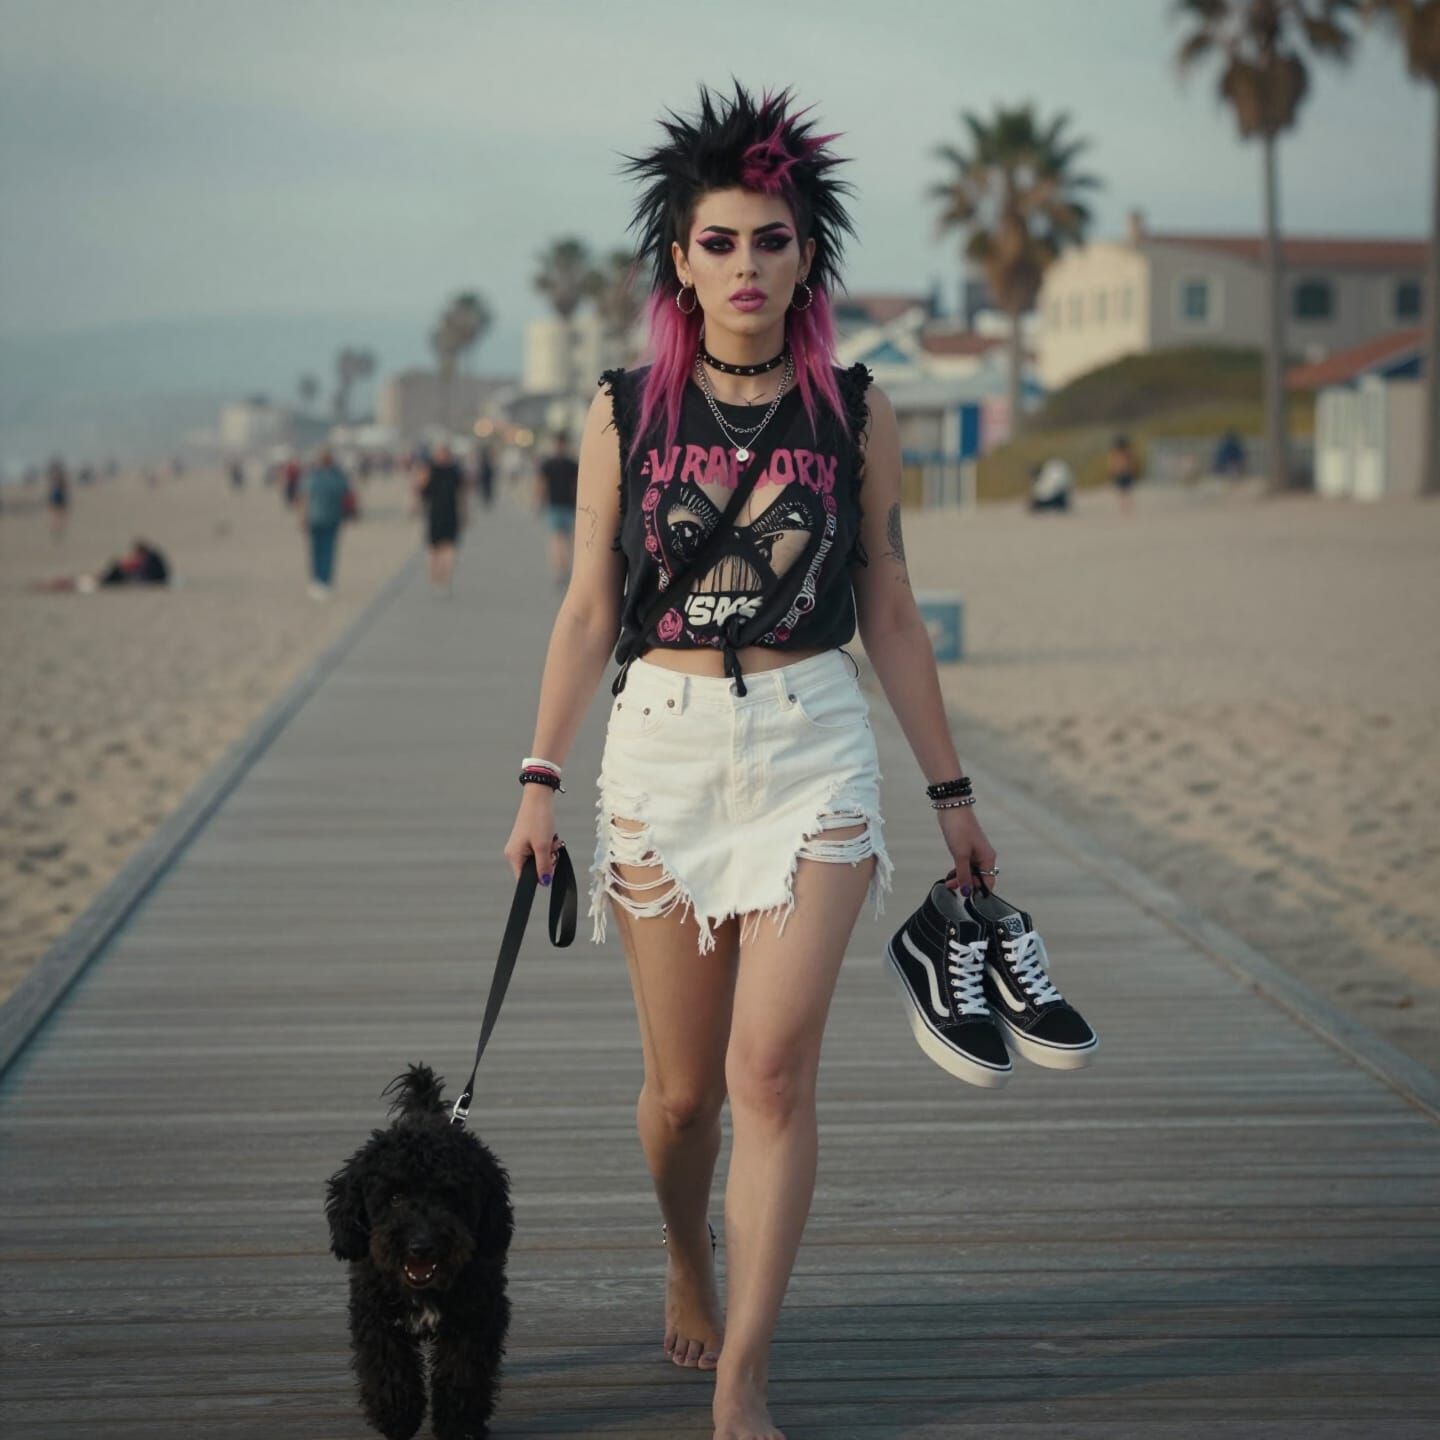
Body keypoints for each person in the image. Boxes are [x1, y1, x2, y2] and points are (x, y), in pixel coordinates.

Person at [501, 82, 999, 1440]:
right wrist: (541, 779)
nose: (745, 266)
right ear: (678, 257)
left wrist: (950, 793)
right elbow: (591, 606)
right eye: (719, 242)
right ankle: (684, 1250)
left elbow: (889, 605)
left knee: (770, 1072)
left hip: (812, 743)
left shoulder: (855, 408)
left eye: (771, 241)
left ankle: (745, 1378)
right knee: (681, 1097)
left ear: (806, 256)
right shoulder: (622, 413)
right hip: (660, 750)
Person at [297, 449, 353, 599]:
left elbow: (304, 497)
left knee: (319, 551)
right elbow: (347, 494)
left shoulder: (312, 475)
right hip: (328, 518)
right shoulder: (337, 475)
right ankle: (323, 581)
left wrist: (302, 517)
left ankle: (319, 581)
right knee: (326, 551)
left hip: (320, 518)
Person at [414, 440, 467, 594]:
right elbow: (461, 494)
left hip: (439, 513)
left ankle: (439, 575)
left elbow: (420, 489)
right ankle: (443, 577)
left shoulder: (431, 469)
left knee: (438, 548)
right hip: (445, 513)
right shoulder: (454, 470)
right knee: (444, 547)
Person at [29, 537, 170, 593]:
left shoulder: (147, 563)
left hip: (110, 579)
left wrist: (123, 565)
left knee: (80, 580)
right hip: (114, 577)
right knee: (81, 579)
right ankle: (49, 583)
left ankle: (49, 584)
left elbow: (127, 566)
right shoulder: (153, 559)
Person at [535, 431, 579, 589]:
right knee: (566, 540)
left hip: (554, 505)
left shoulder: (548, 464)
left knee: (556, 539)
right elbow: (577, 487)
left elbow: (541, 485)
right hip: (568, 505)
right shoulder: (572, 464)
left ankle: (559, 570)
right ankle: (565, 568)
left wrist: (539, 502)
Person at [1106, 433, 1139, 514]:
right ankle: (1126, 506)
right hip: (1124, 473)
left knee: (1123, 491)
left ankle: (1124, 506)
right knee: (1126, 491)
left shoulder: (1117, 453)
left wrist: (1112, 471)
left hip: (1121, 473)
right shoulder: (1127, 452)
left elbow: (1112, 464)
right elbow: (1132, 463)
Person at [46, 457, 70, 541]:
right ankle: (57, 530)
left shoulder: (54, 477)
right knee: (59, 515)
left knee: (56, 515)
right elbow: (65, 488)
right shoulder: (60, 477)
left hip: (57, 496)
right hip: (59, 496)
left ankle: (56, 530)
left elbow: (52, 490)